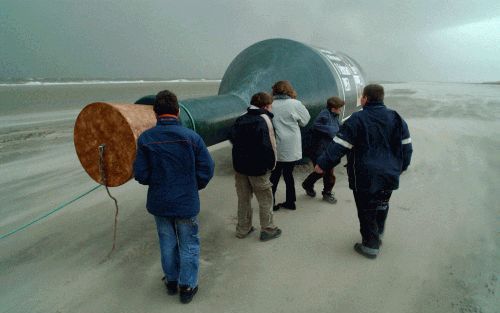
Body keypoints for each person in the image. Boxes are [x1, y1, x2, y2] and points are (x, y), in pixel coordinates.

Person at [133, 90, 215, 303]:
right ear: (178, 111)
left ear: (155, 113)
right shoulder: (192, 137)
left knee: (167, 243)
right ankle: (187, 287)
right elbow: (207, 168)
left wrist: (159, 181)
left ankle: (171, 281)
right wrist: (193, 185)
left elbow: (140, 174)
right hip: (186, 201)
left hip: (160, 202)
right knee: (189, 243)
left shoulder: (146, 138)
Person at [315, 84, 413, 259]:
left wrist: (322, 163)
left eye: (362, 97)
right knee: (382, 204)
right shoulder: (396, 118)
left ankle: (370, 245)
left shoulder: (357, 119)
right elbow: (406, 146)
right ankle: (378, 233)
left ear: (366, 98)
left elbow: (339, 145)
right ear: (381, 98)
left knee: (366, 209)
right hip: (389, 174)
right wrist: (402, 166)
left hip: (364, 176)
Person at [229, 92, 282, 241]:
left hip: (240, 167)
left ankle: (243, 229)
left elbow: (231, 136)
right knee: (265, 199)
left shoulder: (241, 118)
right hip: (258, 168)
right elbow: (269, 145)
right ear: (266, 106)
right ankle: (268, 229)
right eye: (271, 105)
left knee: (243, 199)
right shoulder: (264, 120)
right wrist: (272, 165)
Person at [269, 80, 310, 211]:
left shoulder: (270, 105)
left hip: (275, 144)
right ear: (289, 90)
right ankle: (290, 202)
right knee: (288, 174)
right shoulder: (295, 104)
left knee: (274, 175)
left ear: (274, 91)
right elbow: (305, 121)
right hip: (291, 145)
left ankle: (271, 203)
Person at [302, 96, 345, 204]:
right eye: (339, 108)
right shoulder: (324, 115)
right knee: (323, 171)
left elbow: (338, 127)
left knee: (326, 172)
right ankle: (311, 186)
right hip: (318, 149)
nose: (340, 110)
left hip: (326, 149)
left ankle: (325, 191)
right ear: (333, 108)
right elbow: (319, 126)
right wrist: (335, 131)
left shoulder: (333, 115)